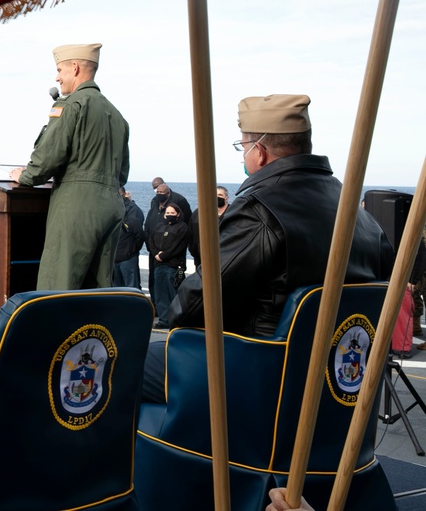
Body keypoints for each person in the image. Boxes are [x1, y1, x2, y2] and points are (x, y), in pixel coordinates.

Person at [141, 94, 392, 403]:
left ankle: (165, 450)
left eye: (242, 148)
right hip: (335, 384)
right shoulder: (360, 215)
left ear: (258, 152)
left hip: (259, 374)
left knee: (119, 363)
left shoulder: (259, 210)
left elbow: (193, 306)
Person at [10, 44, 130, 290]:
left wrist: (25, 175)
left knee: (58, 285)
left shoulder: (71, 105)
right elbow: (123, 173)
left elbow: (46, 159)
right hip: (112, 206)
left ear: (74, 68)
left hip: (77, 204)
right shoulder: (117, 115)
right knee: (98, 289)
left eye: (59, 70)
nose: (57, 77)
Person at [149, 204, 188, 329]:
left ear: (178, 214)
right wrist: (156, 254)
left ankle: (178, 320)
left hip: (174, 266)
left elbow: (178, 246)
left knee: (175, 293)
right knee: (160, 293)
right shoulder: (159, 225)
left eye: (172, 213)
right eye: (168, 213)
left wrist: (164, 255)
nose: (170, 215)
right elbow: (151, 241)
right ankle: (164, 320)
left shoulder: (182, 228)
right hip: (158, 265)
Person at [187, 186, 230, 273]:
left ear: (227, 198)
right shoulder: (199, 213)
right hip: (201, 260)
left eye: (220, 195)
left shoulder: (233, 213)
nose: (217, 197)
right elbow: (191, 234)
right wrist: (195, 252)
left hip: (226, 260)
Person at [112, 187, 145, 289]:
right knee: (116, 288)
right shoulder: (111, 218)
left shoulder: (132, 216)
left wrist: (131, 251)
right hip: (114, 259)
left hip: (127, 258)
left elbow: (139, 236)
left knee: (131, 287)